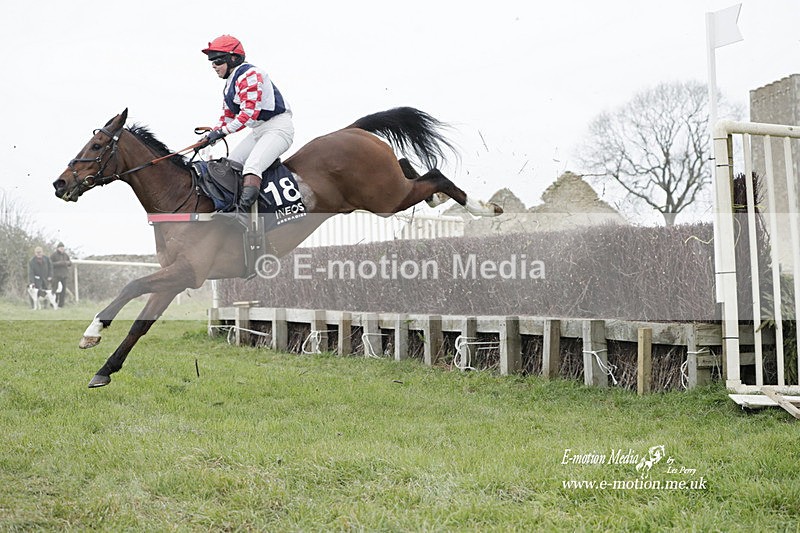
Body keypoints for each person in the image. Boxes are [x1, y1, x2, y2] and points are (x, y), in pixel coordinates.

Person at [200, 35, 295, 210]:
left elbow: (248, 115)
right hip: (258, 131)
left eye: (217, 60)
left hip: (278, 128)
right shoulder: (229, 84)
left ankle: (242, 214)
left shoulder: (251, 74)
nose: (213, 65)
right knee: (230, 165)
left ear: (233, 58)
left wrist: (221, 133)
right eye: (211, 61)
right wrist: (210, 137)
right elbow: (227, 118)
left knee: (252, 166)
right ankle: (232, 207)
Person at [50, 242, 72, 307]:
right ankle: (53, 303)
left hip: (64, 275)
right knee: (55, 290)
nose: (62, 249)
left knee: (63, 290)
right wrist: (59, 263)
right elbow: (50, 264)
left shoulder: (66, 255)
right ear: (58, 248)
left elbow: (70, 263)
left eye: (63, 248)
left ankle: (61, 305)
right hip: (56, 275)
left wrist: (67, 263)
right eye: (61, 248)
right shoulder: (53, 255)